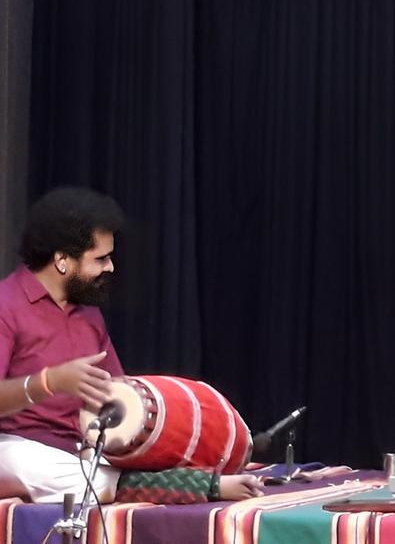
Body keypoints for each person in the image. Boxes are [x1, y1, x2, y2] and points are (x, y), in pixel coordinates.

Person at [0, 187, 262, 504]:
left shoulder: (88, 314)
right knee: (23, 465)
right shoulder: (7, 306)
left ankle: (152, 479)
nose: (110, 267)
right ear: (62, 261)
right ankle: (189, 486)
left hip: (84, 448)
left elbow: (117, 387)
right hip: (18, 447)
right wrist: (49, 381)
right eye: (100, 258)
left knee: (129, 457)